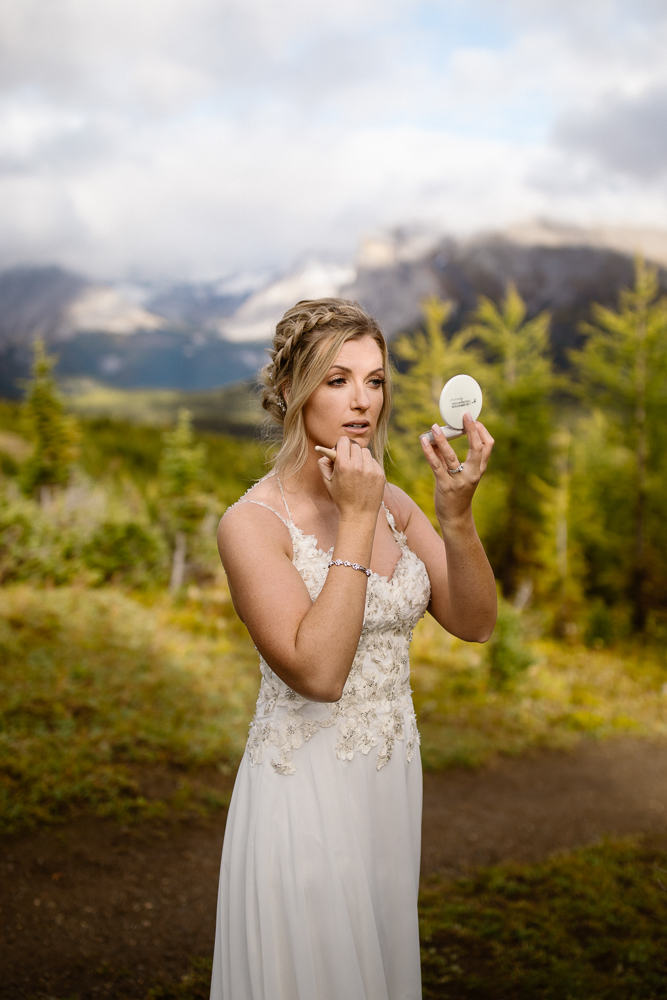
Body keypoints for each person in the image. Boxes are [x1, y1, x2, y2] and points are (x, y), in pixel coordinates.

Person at [210, 297, 496, 1000]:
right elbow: (316, 672)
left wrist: (454, 519)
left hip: (387, 786)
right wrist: (357, 521)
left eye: (374, 380)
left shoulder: (395, 502)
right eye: (336, 380)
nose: (362, 401)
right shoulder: (250, 524)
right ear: (288, 393)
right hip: (303, 789)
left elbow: (474, 620)